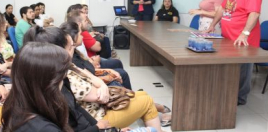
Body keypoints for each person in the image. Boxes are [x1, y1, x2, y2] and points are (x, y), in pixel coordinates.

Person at [23, 26, 166, 131]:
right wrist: (101, 128)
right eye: (71, 47)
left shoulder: (61, 77)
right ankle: (158, 116)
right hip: (99, 114)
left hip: (95, 118)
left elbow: (80, 111)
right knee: (145, 100)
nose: (73, 50)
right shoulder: (63, 81)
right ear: (58, 52)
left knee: (141, 94)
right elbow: (97, 99)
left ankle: (157, 115)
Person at [206, 0, 263, 105]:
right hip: (228, 38)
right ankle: (228, 94)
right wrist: (212, 24)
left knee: (242, 71)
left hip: (242, 40)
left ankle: (239, 99)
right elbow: (222, 9)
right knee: (230, 69)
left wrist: (245, 33)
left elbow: (254, 13)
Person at [1, 42, 73, 132]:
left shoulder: (14, 105)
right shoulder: (45, 129)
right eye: (61, 77)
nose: (62, 81)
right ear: (47, 82)